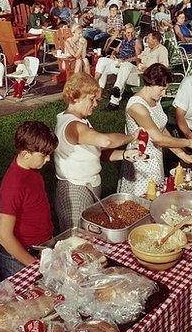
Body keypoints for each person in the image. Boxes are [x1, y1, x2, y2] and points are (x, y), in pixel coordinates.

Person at [54, 72, 144, 231]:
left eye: (97, 100)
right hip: (75, 189)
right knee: (77, 235)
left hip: (89, 185)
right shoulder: (72, 125)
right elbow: (106, 141)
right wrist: (132, 137)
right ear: (75, 97)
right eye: (92, 99)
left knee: (91, 231)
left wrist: (124, 154)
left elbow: (97, 151)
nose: (95, 104)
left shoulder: (82, 121)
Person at [118, 64, 192, 195]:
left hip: (155, 158)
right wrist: (189, 142)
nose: (164, 93)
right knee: (143, 202)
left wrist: (182, 154)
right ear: (151, 83)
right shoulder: (137, 106)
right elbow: (158, 139)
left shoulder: (155, 99)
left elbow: (161, 129)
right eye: (162, 89)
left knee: (157, 199)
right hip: (140, 162)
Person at [0, 121, 58, 278]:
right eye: (44, 155)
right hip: (20, 256)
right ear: (25, 154)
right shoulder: (14, 185)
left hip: (39, 247)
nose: (48, 159)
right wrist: (34, 265)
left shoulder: (32, 169)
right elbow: (4, 236)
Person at [105, 31, 169, 110]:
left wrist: (148, 69)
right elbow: (138, 57)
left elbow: (164, 68)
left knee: (123, 75)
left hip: (147, 76)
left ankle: (114, 102)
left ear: (155, 40)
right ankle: (117, 89)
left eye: (148, 39)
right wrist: (136, 63)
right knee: (126, 65)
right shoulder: (148, 49)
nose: (146, 41)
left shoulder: (162, 50)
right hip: (139, 70)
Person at [96, 23, 142, 91]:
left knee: (120, 66)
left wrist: (127, 60)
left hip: (129, 65)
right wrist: (112, 55)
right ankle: (97, 85)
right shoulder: (123, 41)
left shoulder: (136, 41)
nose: (130, 34)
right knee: (102, 60)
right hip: (119, 63)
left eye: (132, 32)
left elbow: (138, 57)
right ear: (125, 33)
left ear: (134, 32)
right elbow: (115, 51)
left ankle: (114, 92)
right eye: (128, 32)